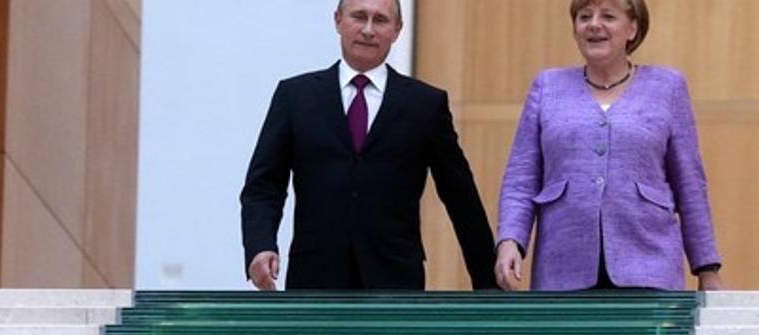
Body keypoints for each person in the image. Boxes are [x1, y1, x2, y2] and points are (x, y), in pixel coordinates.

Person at [240, 0, 497, 291]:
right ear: (338, 20)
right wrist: (260, 245)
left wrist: (488, 284)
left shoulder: (425, 105)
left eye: (381, 20)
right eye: (359, 17)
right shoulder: (295, 97)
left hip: (394, 281)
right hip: (314, 279)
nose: (368, 30)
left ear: (397, 30)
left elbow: (460, 196)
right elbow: (264, 185)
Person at [495, 0, 725, 292]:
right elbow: (521, 177)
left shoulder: (667, 87)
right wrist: (510, 241)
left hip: (649, 267)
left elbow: (690, 184)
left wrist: (707, 268)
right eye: (584, 16)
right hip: (563, 267)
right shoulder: (547, 86)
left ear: (632, 28)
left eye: (608, 16)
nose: (593, 24)